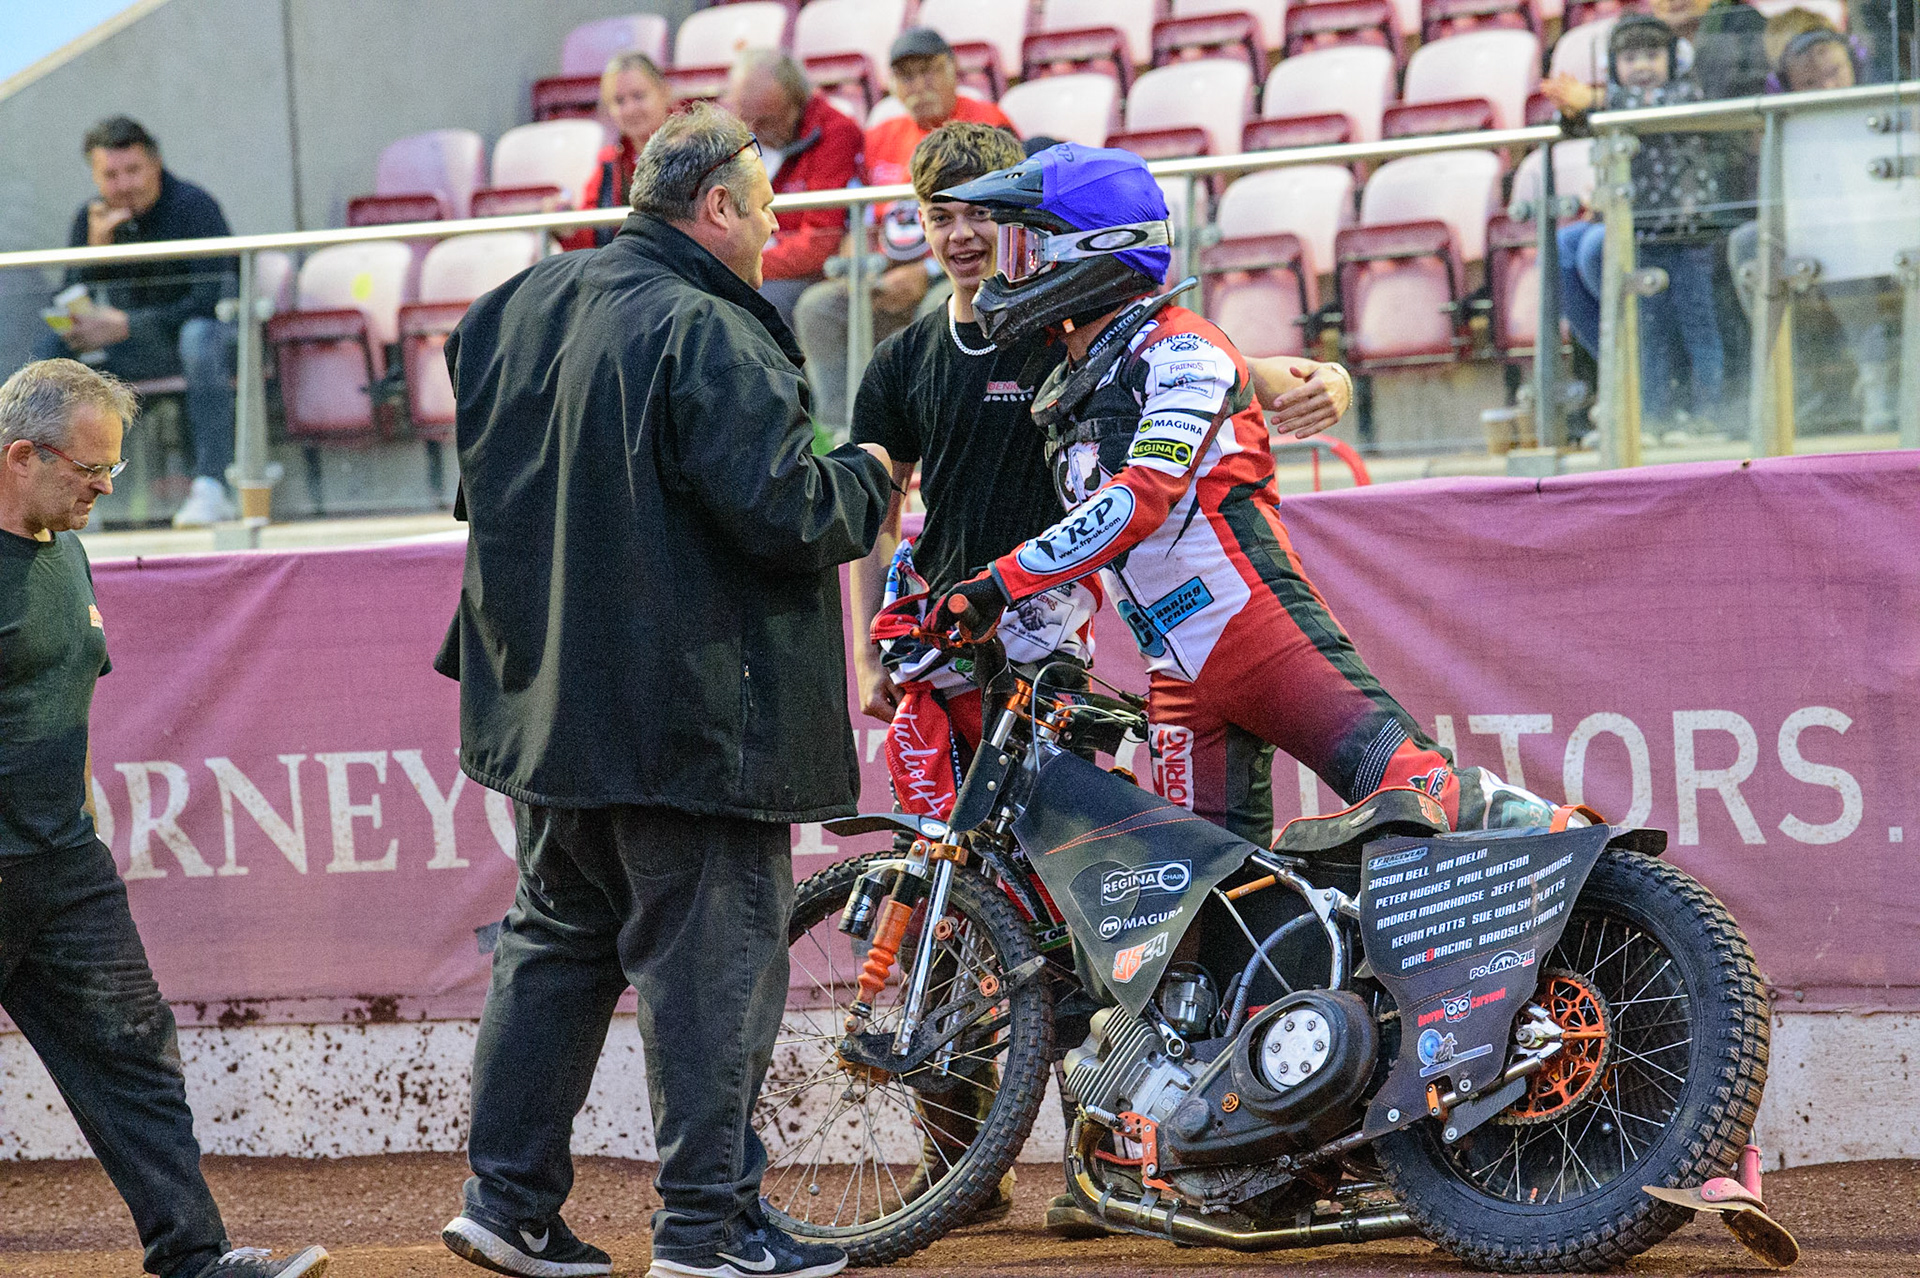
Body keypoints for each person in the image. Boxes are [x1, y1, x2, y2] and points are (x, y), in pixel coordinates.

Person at [847, 122, 1360, 1240]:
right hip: (938, 657)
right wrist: (865, 649)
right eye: (940, 213)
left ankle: (1099, 1161)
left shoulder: (1059, 323)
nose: (962, 233)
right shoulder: (902, 358)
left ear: (1019, 229)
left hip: (1050, 658)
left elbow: (1188, 364)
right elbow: (875, 509)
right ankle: (961, 1172)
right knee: (948, 913)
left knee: (1102, 909)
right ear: (923, 226)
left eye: (982, 214)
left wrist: (1302, 378)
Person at [433, 103, 892, 1278]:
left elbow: (478, 503)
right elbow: (793, 511)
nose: (775, 227)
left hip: (545, 714)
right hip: (691, 728)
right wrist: (873, 475)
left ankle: (508, 1204)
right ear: (720, 208)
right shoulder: (711, 330)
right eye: (768, 208)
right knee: (711, 982)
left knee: (553, 948)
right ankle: (708, 1233)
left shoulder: (511, 309)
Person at [937, 144, 1564, 844]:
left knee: (1421, 795)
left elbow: (1141, 496)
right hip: (1173, 673)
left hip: (1259, 637)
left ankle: (1597, 862)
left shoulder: (1184, 349)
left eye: (1029, 250)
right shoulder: (1076, 374)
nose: (1010, 270)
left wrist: (1002, 582)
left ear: (1096, 250)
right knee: (1202, 905)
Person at [0, 359, 330, 1278]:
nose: (107, 488)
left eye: (113, 468)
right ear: (21, 455)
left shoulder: (63, 544)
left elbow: (68, 692)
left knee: (135, 1057)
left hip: (64, 867)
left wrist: (85, 807)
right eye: (89, 470)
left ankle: (194, 1258)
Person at [793, 27, 1015, 439]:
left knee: (943, 303)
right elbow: (859, 218)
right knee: (818, 305)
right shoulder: (880, 138)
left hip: (959, 270)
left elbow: (999, 220)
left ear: (952, 69)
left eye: (929, 71)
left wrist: (927, 273)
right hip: (884, 272)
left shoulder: (988, 125)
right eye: (906, 76)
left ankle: (940, 431)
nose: (919, 85)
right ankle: (844, 436)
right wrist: (857, 266)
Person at [30, 117, 237, 528]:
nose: (124, 185)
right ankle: (48, 492)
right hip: (129, 351)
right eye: (111, 175)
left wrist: (130, 324)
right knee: (51, 353)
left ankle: (213, 486)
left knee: (198, 338)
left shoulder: (194, 208)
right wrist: (95, 252)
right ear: (95, 175)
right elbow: (68, 301)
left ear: (155, 164)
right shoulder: (93, 219)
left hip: (204, 342)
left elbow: (210, 301)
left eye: (133, 171)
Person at [1546, 16, 1733, 430]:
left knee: (1698, 326)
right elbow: (1583, 125)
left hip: (1688, 236)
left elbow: (1650, 107)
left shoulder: (1683, 92)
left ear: (1671, 59)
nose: (1642, 65)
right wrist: (1572, 107)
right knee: (1650, 332)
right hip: (1641, 236)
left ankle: (1713, 414)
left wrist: (1593, 97)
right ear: (1615, 65)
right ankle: (1653, 416)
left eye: (1652, 55)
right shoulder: (1614, 103)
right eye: (1630, 58)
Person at [718, 49, 865, 326]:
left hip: (810, 276)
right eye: (745, 118)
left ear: (796, 105)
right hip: (762, 263)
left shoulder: (835, 134)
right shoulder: (746, 136)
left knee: (743, 308)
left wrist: (738, 265)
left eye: (765, 121)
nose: (752, 131)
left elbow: (820, 245)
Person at [557, 51, 676, 251]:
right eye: (619, 101)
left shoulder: (694, 149)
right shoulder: (609, 164)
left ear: (664, 91)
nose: (629, 109)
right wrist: (565, 227)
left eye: (639, 96)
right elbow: (589, 240)